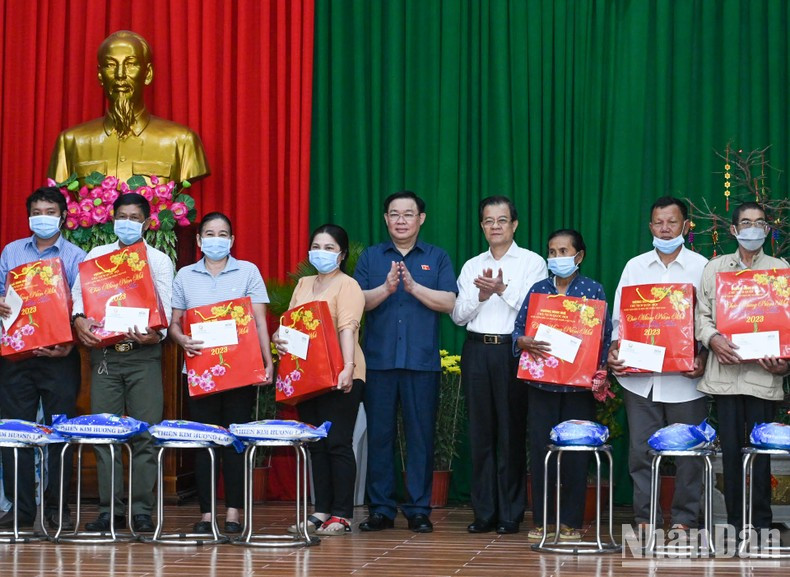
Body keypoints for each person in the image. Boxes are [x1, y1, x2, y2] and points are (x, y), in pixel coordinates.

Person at [354, 191, 457, 533]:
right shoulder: (371, 257)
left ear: (421, 219)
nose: (401, 220)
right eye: (394, 214)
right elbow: (359, 303)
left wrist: (413, 288)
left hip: (421, 363)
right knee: (380, 437)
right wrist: (386, 288)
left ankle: (418, 510)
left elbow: (448, 302)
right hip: (379, 363)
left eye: (408, 214)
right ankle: (381, 510)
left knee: (420, 437)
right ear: (385, 219)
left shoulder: (437, 257)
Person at [71, 193, 174, 533]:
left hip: (143, 355)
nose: (127, 222)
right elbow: (78, 296)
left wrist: (155, 334)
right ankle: (109, 511)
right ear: (112, 219)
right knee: (106, 434)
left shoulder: (158, 260)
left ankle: (141, 509)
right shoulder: (98, 257)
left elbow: (167, 307)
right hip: (105, 358)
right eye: (121, 216)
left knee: (145, 434)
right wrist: (79, 319)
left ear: (146, 223)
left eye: (134, 217)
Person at [608, 196, 709, 532]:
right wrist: (613, 348)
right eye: (659, 223)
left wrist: (704, 358)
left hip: (686, 378)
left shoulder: (702, 266)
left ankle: (684, 520)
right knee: (640, 454)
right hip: (640, 379)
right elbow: (619, 320)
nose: (665, 229)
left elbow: (712, 320)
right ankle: (645, 520)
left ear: (685, 225)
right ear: (650, 226)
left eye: (672, 222)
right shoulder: (635, 266)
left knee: (689, 455)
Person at [169, 212, 273, 534]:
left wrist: (267, 362)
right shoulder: (185, 275)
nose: (217, 239)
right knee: (205, 442)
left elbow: (258, 322)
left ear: (232, 240)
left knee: (234, 441)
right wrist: (181, 338)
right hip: (201, 372)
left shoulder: (248, 272)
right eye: (210, 234)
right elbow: (174, 323)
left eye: (223, 233)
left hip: (240, 372)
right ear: (199, 241)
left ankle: (233, 512)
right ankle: (205, 515)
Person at [451, 196, 546, 534]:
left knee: (510, 433)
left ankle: (510, 513)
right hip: (477, 350)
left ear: (514, 224)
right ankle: (484, 512)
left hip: (512, 352)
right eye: (488, 221)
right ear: (481, 226)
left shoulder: (532, 263)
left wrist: (501, 289)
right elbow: (458, 315)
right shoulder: (471, 265)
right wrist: (481, 295)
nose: (495, 226)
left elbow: (534, 310)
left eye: (501, 220)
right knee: (481, 434)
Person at [695, 201, 789, 532]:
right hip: (725, 377)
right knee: (732, 454)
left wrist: (784, 361)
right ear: (733, 230)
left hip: (764, 377)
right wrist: (712, 339)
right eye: (745, 223)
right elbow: (701, 315)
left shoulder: (781, 270)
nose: (752, 229)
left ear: (767, 229)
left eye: (759, 223)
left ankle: (762, 523)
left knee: (762, 454)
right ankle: (735, 523)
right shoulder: (715, 268)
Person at [513, 229, 612, 540]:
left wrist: (600, 368)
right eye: (552, 252)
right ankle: (542, 520)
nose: (557, 257)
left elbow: (604, 338)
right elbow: (518, 331)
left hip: (578, 390)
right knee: (542, 453)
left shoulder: (593, 291)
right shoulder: (539, 290)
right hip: (542, 387)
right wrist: (523, 341)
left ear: (579, 256)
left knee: (575, 455)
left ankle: (571, 522)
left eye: (563, 251)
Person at [0, 187, 86, 530]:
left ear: (62, 216)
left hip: (60, 356)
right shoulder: (10, 252)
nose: (43, 217)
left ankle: (56, 509)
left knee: (59, 433)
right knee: (14, 432)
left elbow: (83, 308)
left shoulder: (76, 256)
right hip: (16, 358)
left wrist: (71, 342)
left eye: (50, 211)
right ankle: (19, 510)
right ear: (28, 216)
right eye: (37, 211)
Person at [272, 224, 365, 536]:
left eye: (328, 248)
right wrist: (278, 336)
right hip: (306, 375)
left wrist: (348, 367)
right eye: (316, 246)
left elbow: (348, 327)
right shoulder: (304, 284)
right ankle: (321, 509)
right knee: (316, 444)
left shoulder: (348, 285)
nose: (320, 253)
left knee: (338, 442)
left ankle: (342, 514)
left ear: (341, 255)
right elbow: (290, 323)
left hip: (340, 371)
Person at [48, 30, 209, 185]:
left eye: (131, 64)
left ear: (147, 74)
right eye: (110, 65)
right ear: (100, 75)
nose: (120, 74)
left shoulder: (181, 141)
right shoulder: (70, 142)